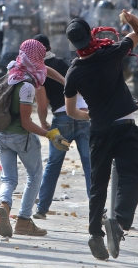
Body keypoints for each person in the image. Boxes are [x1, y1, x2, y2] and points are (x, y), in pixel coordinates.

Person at [63, 12, 138, 261]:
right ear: (91, 35)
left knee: (98, 184)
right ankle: (118, 223)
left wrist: (91, 115)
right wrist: (129, 18)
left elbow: (71, 112)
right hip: (125, 127)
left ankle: (94, 234)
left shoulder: (73, 72)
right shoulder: (113, 52)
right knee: (133, 174)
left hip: (99, 131)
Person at [0, 39, 70, 238]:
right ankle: (24, 220)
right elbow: (26, 122)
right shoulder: (27, 86)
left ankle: (4, 205)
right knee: (35, 176)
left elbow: (45, 69)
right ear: (37, 57)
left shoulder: (13, 71)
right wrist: (50, 135)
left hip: (2, 136)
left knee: (8, 178)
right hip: (21, 138)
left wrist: (65, 81)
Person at [32, 34, 91, 220]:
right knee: (89, 163)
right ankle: (97, 208)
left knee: (54, 164)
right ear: (49, 48)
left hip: (62, 120)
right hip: (83, 116)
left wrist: (43, 122)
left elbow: (42, 105)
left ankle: (42, 209)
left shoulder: (38, 71)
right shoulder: (64, 63)